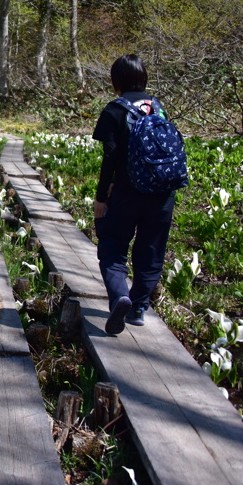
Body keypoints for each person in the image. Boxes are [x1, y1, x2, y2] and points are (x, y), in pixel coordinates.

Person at [92, 54, 176, 335]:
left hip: (127, 192)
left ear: (115, 81)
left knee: (113, 244)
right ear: (144, 78)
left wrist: (101, 197)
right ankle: (138, 307)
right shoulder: (158, 108)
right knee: (151, 249)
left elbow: (111, 158)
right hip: (163, 193)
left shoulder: (114, 110)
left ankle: (119, 297)